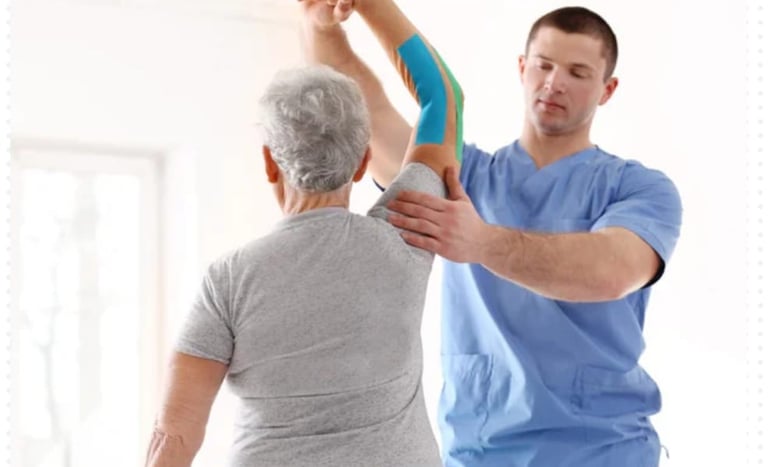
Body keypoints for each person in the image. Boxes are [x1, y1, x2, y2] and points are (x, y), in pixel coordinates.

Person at [303, 2, 683, 466]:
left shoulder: (639, 190)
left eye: (578, 72)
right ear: (522, 68)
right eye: (543, 65)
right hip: (481, 453)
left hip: (603, 453)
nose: (554, 83)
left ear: (608, 89)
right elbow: (369, 112)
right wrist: (321, 28)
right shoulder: (463, 176)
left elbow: (611, 270)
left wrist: (480, 242)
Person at [144, 0, 464, 466]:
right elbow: (444, 97)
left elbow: (175, 435)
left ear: (269, 162)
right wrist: (371, 5)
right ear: (362, 163)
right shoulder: (407, 233)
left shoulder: (228, 280)